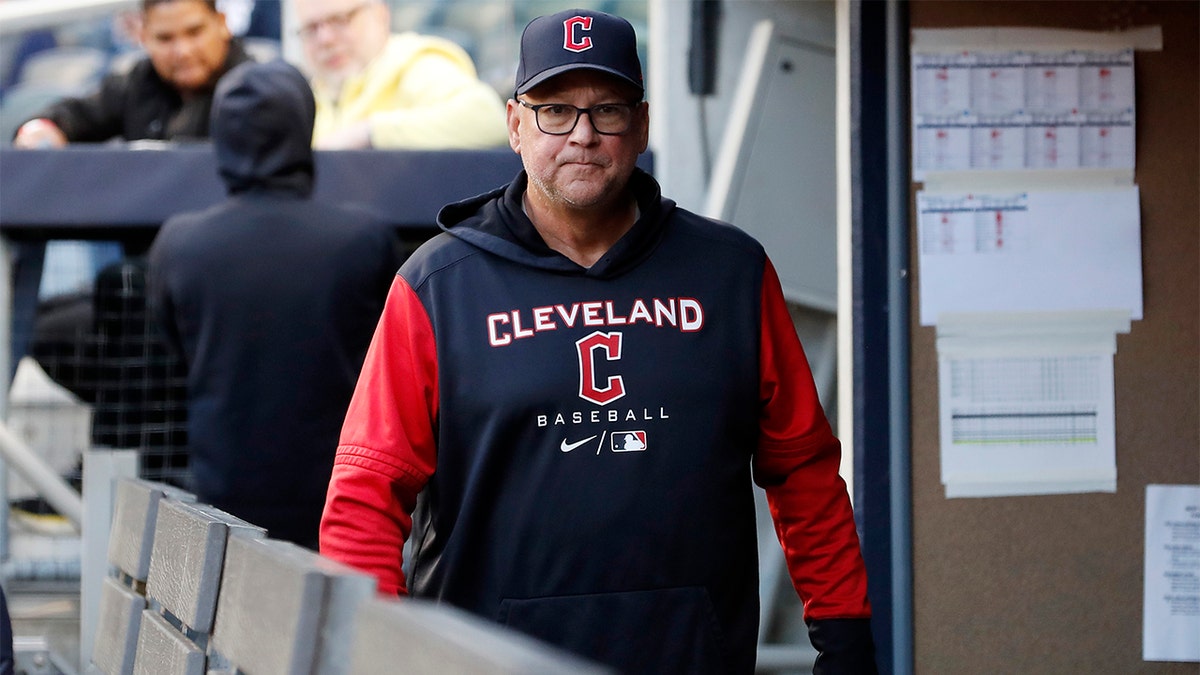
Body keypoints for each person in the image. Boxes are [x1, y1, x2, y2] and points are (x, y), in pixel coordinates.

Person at [320, 8, 877, 674]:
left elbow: (804, 470)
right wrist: (371, 657)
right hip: (487, 662)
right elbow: (365, 497)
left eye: (606, 110)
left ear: (640, 125)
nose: (582, 135)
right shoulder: (438, 286)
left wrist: (845, 636)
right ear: (515, 124)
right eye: (555, 110)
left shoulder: (730, 273)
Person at [147, 59, 406, 549]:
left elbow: (174, 355)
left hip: (224, 501)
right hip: (340, 500)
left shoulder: (179, 243)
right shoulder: (362, 237)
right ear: (302, 126)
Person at [12, 0, 251, 147]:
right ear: (144, 37)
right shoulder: (138, 82)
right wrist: (41, 129)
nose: (183, 51)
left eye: (194, 32)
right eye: (165, 38)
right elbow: (74, 115)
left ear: (222, 23)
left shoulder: (257, 90)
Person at [290, 0, 507, 149]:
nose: (325, 39)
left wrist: (369, 133)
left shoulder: (413, 63)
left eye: (340, 20)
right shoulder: (310, 95)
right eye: (311, 29)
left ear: (381, 16)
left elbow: (487, 118)